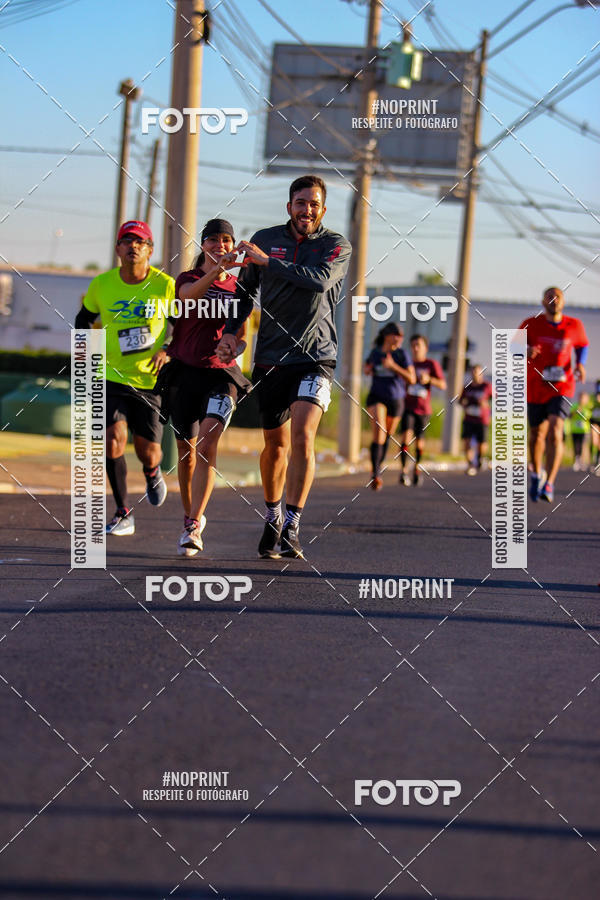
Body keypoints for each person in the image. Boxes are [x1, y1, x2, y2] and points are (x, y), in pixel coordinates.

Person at [216, 174, 351, 559]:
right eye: (300, 202)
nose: (306, 209)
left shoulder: (335, 245)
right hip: (271, 357)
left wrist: (267, 262)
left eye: (313, 203)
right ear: (289, 206)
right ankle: (273, 513)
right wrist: (229, 332)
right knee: (274, 445)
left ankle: (293, 522)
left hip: (316, 356)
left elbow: (320, 281)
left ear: (322, 209)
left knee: (303, 436)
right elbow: (243, 294)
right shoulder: (265, 239)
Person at [74, 220, 175, 535]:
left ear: (150, 250)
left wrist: (167, 350)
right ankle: (122, 511)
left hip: (150, 380)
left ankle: (152, 470)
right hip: (110, 376)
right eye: (127, 241)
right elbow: (83, 319)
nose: (133, 246)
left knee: (147, 449)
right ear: (118, 248)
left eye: (140, 242)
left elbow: (183, 326)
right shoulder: (102, 284)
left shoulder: (165, 285)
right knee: (112, 439)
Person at [156, 219, 249, 556]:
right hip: (184, 373)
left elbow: (242, 337)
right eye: (213, 240)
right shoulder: (189, 278)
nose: (220, 246)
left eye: (226, 240)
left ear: (233, 245)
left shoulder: (239, 288)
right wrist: (216, 271)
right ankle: (188, 515)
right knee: (186, 453)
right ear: (203, 245)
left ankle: (194, 525)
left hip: (221, 376)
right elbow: (186, 299)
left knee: (209, 442)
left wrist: (233, 349)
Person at [520, 287, 588, 502]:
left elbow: (582, 345)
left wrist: (581, 365)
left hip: (563, 386)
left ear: (563, 302)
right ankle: (536, 473)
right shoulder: (531, 323)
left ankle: (549, 483)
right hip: (536, 385)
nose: (554, 300)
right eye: (550, 296)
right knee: (537, 435)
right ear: (543, 302)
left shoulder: (574, 325)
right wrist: (526, 351)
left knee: (556, 431)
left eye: (558, 296)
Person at [364, 323, 414, 490]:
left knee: (386, 436)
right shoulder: (375, 352)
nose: (400, 339)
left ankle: (378, 468)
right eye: (397, 335)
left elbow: (412, 379)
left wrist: (393, 367)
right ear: (387, 336)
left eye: (402, 336)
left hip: (396, 400)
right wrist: (368, 369)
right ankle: (375, 474)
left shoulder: (402, 355)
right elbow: (367, 366)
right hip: (376, 397)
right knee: (379, 432)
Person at [399, 334, 446, 486]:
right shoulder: (408, 363)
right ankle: (404, 471)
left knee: (419, 443)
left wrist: (429, 380)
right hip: (408, 406)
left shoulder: (431, 364)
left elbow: (442, 385)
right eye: (413, 345)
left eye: (418, 345)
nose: (415, 348)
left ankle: (417, 469)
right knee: (406, 438)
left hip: (424, 409)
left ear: (425, 348)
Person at [459, 364, 493, 475]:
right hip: (469, 418)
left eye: (477, 372)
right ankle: (470, 464)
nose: (474, 375)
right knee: (466, 441)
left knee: (481, 443)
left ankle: (480, 457)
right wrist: (465, 405)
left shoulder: (486, 386)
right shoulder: (467, 387)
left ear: (481, 373)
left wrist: (486, 404)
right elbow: (460, 401)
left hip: (482, 419)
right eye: (473, 372)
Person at [569, 391, 591, 472]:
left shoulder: (588, 407)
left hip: (584, 430)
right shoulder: (575, 406)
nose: (581, 400)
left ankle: (582, 461)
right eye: (580, 398)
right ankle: (576, 461)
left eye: (583, 398)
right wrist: (576, 411)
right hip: (574, 429)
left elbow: (589, 418)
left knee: (582, 445)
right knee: (575, 445)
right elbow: (570, 416)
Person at [590, 381, 600, 474]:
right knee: (594, 440)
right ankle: (594, 459)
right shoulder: (593, 397)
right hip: (594, 421)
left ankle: (597, 462)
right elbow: (588, 406)